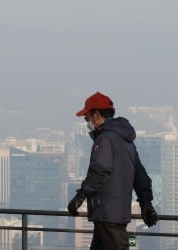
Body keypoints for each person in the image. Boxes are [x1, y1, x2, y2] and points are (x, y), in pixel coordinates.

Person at [67, 92, 158, 250]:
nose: (87, 122)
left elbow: (99, 170)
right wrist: (146, 203)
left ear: (96, 115)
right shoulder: (126, 141)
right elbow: (140, 175)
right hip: (114, 214)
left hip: (107, 213)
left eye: (87, 118)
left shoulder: (105, 138)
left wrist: (80, 196)